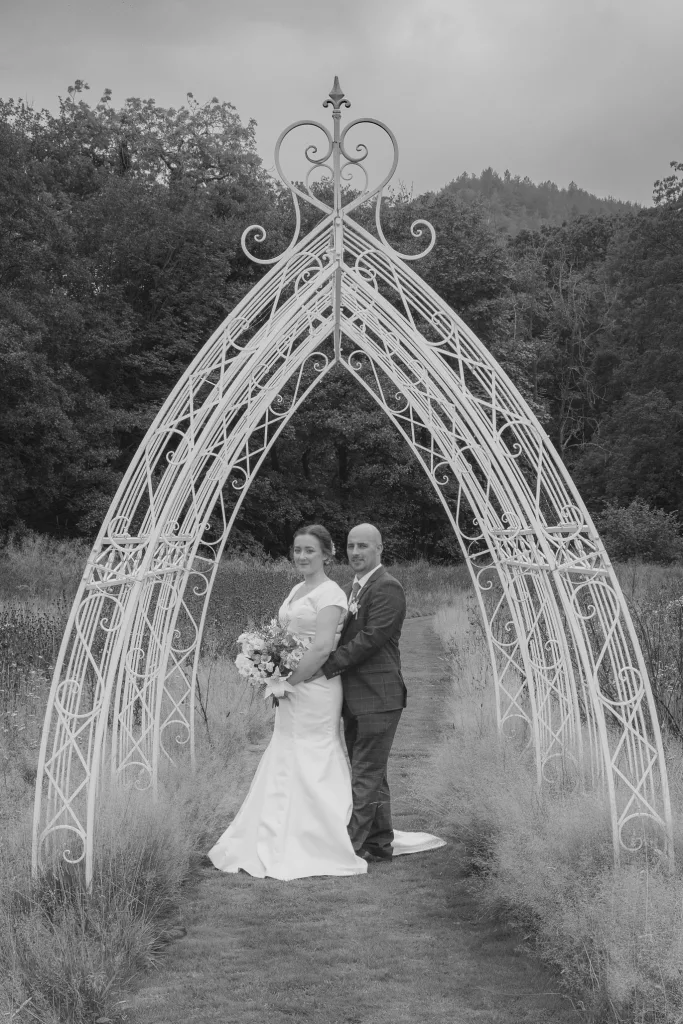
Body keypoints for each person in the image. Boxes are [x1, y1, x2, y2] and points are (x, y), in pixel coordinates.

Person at [207, 524, 367, 879]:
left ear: (327, 554)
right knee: (285, 748)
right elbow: (286, 635)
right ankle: (273, 827)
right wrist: (267, 665)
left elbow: (323, 646)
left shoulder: (330, 594)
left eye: (310, 550)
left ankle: (318, 835)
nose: (302, 556)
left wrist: (287, 680)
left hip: (316, 687)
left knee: (313, 750)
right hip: (290, 684)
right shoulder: (298, 588)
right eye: (297, 550)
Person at [320, 523, 406, 862]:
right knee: (372, 771)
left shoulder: (387, 588)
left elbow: (369, 640)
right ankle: (379, 842)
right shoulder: (353, 589)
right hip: (356, 698)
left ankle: (347, 849)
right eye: (351, 545)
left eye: (364, 546)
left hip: (378, 697)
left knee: (365, 774)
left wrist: (323, 666)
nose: (356, 552)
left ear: (379, 548)